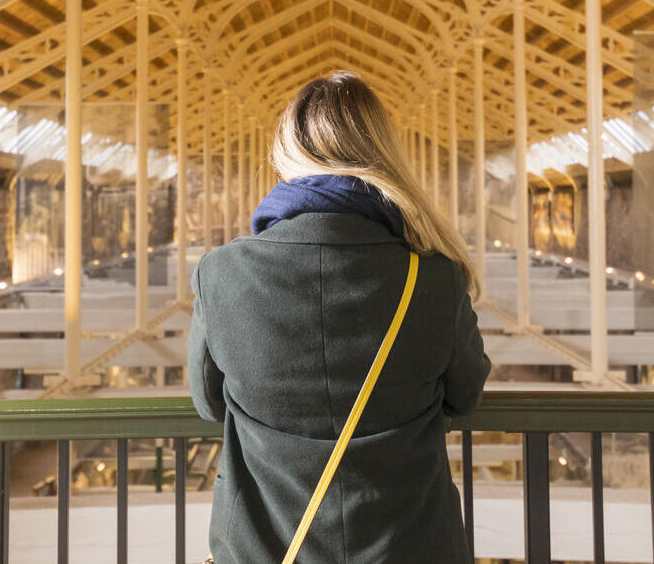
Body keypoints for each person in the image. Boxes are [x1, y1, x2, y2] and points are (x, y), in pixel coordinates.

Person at [189, 71, 491, 563]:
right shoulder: (434, 276)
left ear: (285, 158)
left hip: (266, 547)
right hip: (409, 544)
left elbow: (208, 402)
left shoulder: (220, 274)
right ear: (384, 156)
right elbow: (465, 392)